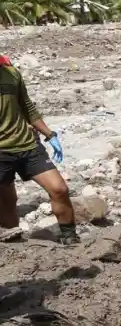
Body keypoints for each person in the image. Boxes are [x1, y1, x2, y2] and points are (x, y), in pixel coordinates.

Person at [0, 54, 77, 245]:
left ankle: (70, 239)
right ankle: (14, 246)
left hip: (28, 144)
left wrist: (50, 135)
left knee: (59, 189)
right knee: (7, 202)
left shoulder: (10, 72)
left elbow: (27, 106)